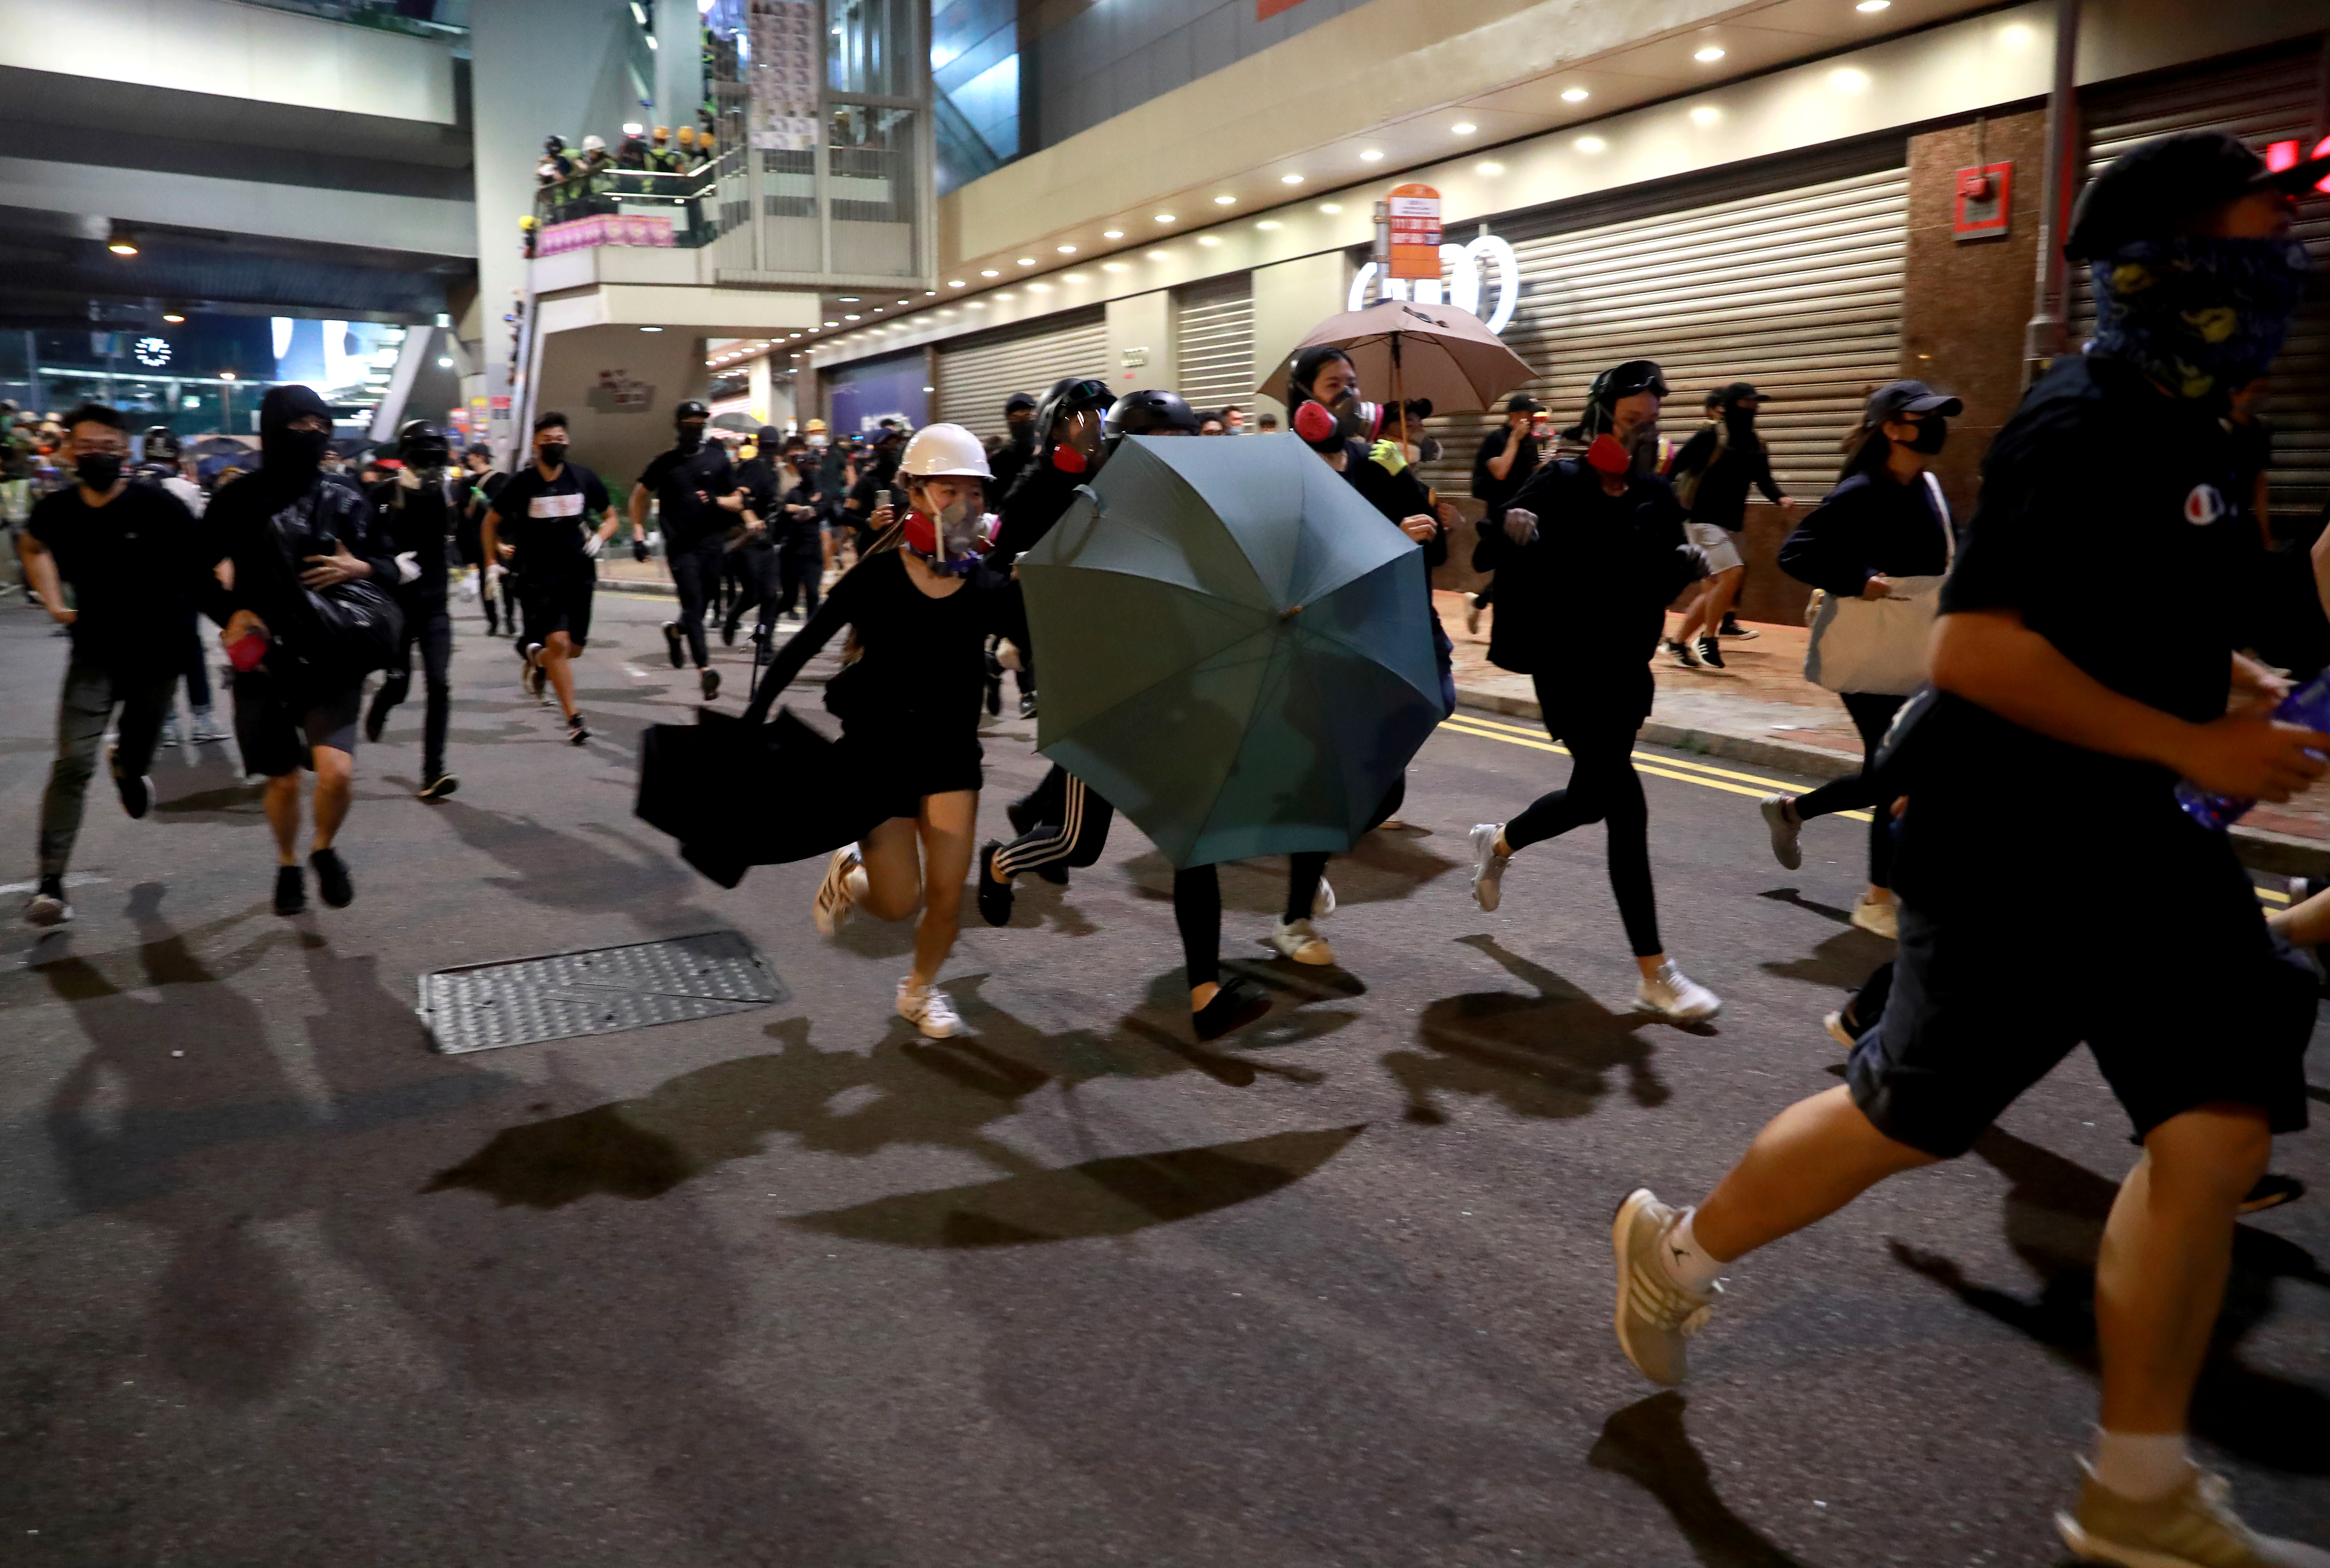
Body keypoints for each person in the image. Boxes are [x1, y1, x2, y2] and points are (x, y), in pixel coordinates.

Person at [1609, 131, 2330, 1568]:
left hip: (2139, 836)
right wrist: (2196, 742)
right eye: (2265, 219)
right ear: (2181, 252)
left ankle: (2133, 1487)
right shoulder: (2085, 419)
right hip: (2007, 832)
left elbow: (2128, 616)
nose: (2288, 251)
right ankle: (1674, 1252)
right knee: (1909, 1115)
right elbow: (1979, 649)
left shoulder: (2204, 425)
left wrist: (2220, 686)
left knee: (2209, 1130)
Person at [1466, 360, 1722, 1023]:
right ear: (1603, 413)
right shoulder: (1561, 478)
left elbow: (1654, 588)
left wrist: (1683, 574)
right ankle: (1654, 972)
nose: (1640, 431)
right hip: (1567, 666)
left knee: (1589, 797)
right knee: (1624, 804)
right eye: (1631, 419)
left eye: (1649, 422)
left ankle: (1498, 842)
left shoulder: (1654, 496)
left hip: (1621, 670)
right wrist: (1515, 530)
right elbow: (1487, 545)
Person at [768, 425, 1023, 1040]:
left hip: (950, 755)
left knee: (944, 892)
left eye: (974, 491)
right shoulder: (877, 578)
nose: (962, 502)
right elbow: (805, 643)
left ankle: (918, 989)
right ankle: (849, 876)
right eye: (947, 488)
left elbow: (1046, 646)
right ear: (914, 492)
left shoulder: (988, 585)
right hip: (879, 755)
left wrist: (1027, 633)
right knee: (897, 902)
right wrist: (753, 715)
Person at [1757, 380, 1963, 938]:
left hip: (1914, 649)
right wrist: (1859, 580)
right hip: (1871, 653)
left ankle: (1791, 812)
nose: (1937, 426)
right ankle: (1876, 899)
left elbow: (1949, 551)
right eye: (1925, 417)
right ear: (1892, 427)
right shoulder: (1861, 489)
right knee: (1896, 774)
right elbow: (1795, 551)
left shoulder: (1930, 485)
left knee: (1886, 775)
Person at [975, 386, 1185, 928]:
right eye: (1080, 419)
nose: (1090, 428)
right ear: (1055, 428)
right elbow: (994, 573)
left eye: (1099, 418)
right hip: (1074, 659)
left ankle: (1030, 819)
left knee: (1087, 816)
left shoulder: (1123, 487)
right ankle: (1007, 857)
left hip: (1131, 662)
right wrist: (1027, 606)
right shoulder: (1035, 488)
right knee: (1079, 834)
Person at [198, 385, 402, 916]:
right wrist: (229, 614)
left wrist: (360, 567)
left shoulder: (349, 496)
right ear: (272, 430)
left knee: (336, 771)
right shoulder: (237, 500)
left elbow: (393, 565)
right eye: (300, 424)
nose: (314, 434)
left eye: (322, 424)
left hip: (334, 653)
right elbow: (192, 571)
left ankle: (324, 850)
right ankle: (288, 860)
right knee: (283, 780)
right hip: (264, 658)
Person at [17, 404, 208, 927]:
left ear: (125, 451)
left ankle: (129, 765)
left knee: (140, 748)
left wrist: (235, 618)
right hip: (93, 655)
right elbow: (32, 545)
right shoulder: (57, 510)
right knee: (72, 762)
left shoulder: (160, 507)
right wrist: (54, 601)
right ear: (68, 450)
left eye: (107, 446)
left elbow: (205, 561)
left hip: (157, 656)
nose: (96, 454)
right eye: (86, 445)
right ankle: (51, 883)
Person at [487, 412, 618, 743]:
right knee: (558, 642)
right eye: (547, 440)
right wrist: (491, 562)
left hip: (579, 575)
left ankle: (535, 657)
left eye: (559, 439)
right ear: (536, 444)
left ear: (568, 442)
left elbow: (611, 516)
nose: (554, 445)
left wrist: (600, 538)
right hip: (538, 577)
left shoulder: (584, 478)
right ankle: (574, 718)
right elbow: (489, 521)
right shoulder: (522, 483)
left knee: (573, 649)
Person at [363, 420, 465, 797]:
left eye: (437, 458)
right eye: (424, 458)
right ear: (406, 457)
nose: (431, 466)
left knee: (439, 683)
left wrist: (471, 570)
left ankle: (432, 772)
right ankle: (381, 705)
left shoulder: (450, 494)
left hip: (435, 606)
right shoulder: (382, 496)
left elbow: (460, 536)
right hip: (396, 609)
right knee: (398, 685)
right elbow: (367, 544)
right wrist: (389, 564)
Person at [1665, 381, 1794, 670]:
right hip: (1699, 519)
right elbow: (1674, 469)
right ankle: (1708, 639)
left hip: (1730, 523)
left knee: (1712, 589)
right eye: (1746, 404)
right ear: (1726, 407)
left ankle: (1677, 643)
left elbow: (1764, 479)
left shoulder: (1756, 444)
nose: (1752, 409)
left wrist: (1780, 498)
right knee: (1733, 573)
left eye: (1755, 404)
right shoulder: (1708, 437)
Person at [633, 399, 744, 700]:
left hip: (712, 544)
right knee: (694, 605)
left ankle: (674, 631)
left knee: (702, 604)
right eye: (689, 422)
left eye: (700, 421)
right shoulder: (664, 463)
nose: (695, 426)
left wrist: (716, 500)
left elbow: (737, 501)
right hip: (681, 548)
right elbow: (638, 496)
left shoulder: (717, 460)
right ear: (678, 425)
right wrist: (638, 533)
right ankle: (705, 670)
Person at [134, 426, 228, 751]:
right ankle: (202, 717)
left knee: (149, 653)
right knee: (189, 649)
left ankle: (167, 722)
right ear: (175, 455)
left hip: (136, 586)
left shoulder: (125, 485)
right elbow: (204, 538)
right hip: (178, 583)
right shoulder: (184, 489)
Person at [1468, 394, 1544, 636]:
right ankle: (1482, 607)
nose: (1532, 418)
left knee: (1516, 567)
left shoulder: (1530, 442)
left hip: (1526, 511)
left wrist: (1553, 463)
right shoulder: (1496, 439)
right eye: (1528, 414)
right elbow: (1500, 472)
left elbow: (1535, 473)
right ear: (1514, 416)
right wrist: (1514, 439)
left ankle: (1478, 603)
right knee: (1509, 566)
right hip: (1500, 512)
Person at [989, 391, 1038, 502]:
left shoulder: (1048, 455)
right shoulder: (999, 462)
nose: (1022, 422)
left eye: (1027, 416)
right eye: (1015, 417)